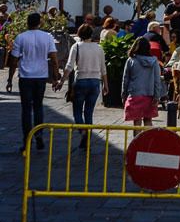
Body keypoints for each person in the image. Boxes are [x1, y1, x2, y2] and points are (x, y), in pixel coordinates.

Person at [7, 12, 61, 154]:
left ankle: (26, 140)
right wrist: (56, 75)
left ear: (27, 23)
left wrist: (9, 79)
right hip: (41, 76)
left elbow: (13, 61)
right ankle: (39, 135)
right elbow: (54, 57)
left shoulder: (21, 37)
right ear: (40, 23)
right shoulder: (47, 37)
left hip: (25, 76)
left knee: (26, 109)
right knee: (38, 106)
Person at [56, 23, 109, 147]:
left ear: (79, 34)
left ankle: (83, 132)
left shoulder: (77, 46)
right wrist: (106, 85)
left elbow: (69, 66)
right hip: (95, 82)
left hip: (81, 80)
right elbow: (103, 69)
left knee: (77, 112)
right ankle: (88, 134)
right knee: (89, 112)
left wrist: (61, 81)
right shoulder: (99, 48)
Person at [122, 37, 165, 127]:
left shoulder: (131, 60)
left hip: (135, 94)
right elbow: (157, 80)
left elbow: (125, 79)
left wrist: (124, 95)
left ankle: (137, 140)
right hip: (150, 95)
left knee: (136, 122)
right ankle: (147, 140)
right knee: (148, 120)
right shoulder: (154, 62)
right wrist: (157, 96)